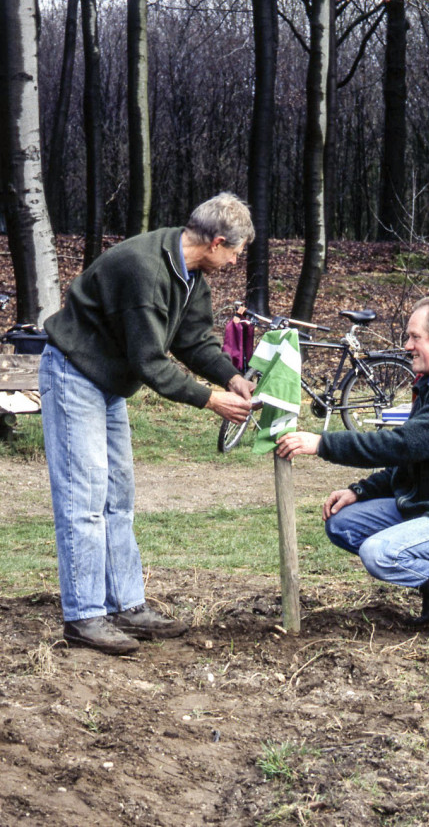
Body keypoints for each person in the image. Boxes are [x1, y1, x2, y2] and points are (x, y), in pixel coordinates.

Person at [40, 192, 255, 655]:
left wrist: (232, 377)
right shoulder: (146, 270)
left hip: (110, 383)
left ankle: (126, 605)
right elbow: (151, 361)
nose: (237, 261)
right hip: (75, 373)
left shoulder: (190, 272)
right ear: (217, 242)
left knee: (118, 495)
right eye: (236, 251)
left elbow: (194, 340)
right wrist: (211, 400)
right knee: (85, 496)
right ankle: (84, 616)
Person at [277, 296, 429, 640]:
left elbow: (401, 445)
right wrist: (361, 491)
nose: (406, 345)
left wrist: (321, 443)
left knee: (379, 553)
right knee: (343, 525)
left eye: (415, 337)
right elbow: (410, 457)